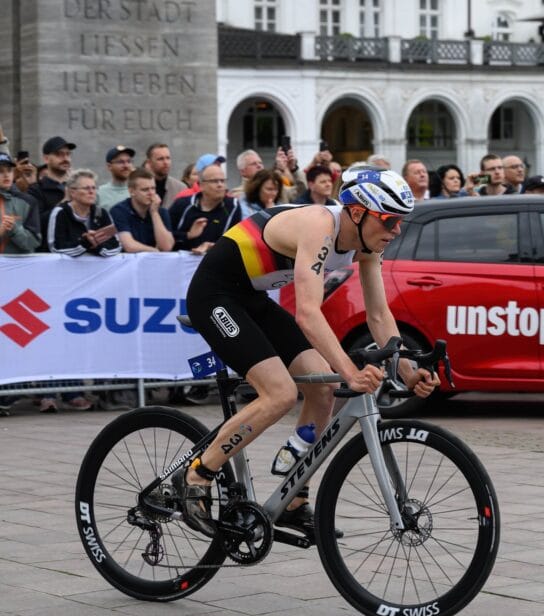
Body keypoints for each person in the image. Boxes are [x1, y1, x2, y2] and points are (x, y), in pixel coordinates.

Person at [175, 165, 439, 537]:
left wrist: (407, 367)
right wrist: (350, 371)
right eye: (390, 221)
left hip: (251, 297)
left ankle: (293, 497)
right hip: (214, 296)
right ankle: (198, 474)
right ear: (359, 213)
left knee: (322, 386)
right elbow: (308, 313)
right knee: (280, 392)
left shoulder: (366, 242)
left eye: (401, 222)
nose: (396, 231)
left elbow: (379, 314)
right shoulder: (320, 225)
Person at [170, 161, 240, 254]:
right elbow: (165, 236)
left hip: (216, 262)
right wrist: (188, 235)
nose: (220, 185)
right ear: (201, 185)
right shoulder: (182, 204)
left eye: (222, 181)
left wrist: (212, 246)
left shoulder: (233, 206)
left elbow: (236, 241)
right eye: (214, 181)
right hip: (181, 261)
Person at [109, 169, 174, 252]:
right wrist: (154, 251)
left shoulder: (161, 212)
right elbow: (129, 245)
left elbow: (166, 247)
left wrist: (154, 213)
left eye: (153, 188)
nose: (151, 193)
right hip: (129, 262)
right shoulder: (119, 211)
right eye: (145, 189)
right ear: (131, 191)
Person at [28, 136, 76, 247]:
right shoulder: (36, 190)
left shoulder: (77, 187)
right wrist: (64, 201)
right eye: (59, 154)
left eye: (68, 154)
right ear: (46, 158)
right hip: (48, 255)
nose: (65, 158)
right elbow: (37, 224)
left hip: (77, 251)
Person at [0, 152, 41, 254]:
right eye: (0, 171)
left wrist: (14, 230)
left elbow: (34, 243)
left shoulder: (28, 201)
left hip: (19, 267)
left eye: (9, 170)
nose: (6, 175)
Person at [146, 143, 188, 208]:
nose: (166, 162)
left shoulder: (180, 188)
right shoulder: (141, 187)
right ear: (149, 162)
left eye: (168, 158)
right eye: (160, 159)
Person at [97, 145, 135, 210]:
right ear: (109, 166)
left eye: (129, 161)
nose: (126, 166)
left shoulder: (138, 191)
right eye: (121, 162)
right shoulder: (99, 194)